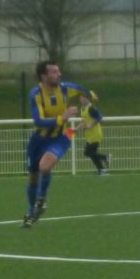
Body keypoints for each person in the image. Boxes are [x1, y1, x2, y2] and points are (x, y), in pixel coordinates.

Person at [23, 60, 95, 227]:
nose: (59, 74)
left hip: (60, 138)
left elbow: (84, 91)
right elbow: (39, 121)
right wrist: (63, 117)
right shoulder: (36, 94)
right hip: (38, 140)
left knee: (45, 166)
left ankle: (41, 200)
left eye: (58, 71)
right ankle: (31, 211)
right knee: (33, 177)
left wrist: (90, 99)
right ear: (44, 76)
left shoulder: (65, 88)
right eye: (54, 72)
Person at [76, 93, 110, 175]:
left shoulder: (91, 108)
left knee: (88, 152)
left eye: (83, 98)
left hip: (95, 134)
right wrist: (77, 128)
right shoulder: (83, 109)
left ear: (87, 99)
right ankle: (102, 169)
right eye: (80, 98)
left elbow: (99, 117)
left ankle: (105, 158)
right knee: (90, 153)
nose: (81, 100)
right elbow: (84, 121)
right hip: (89, 135)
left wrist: (91, 125)